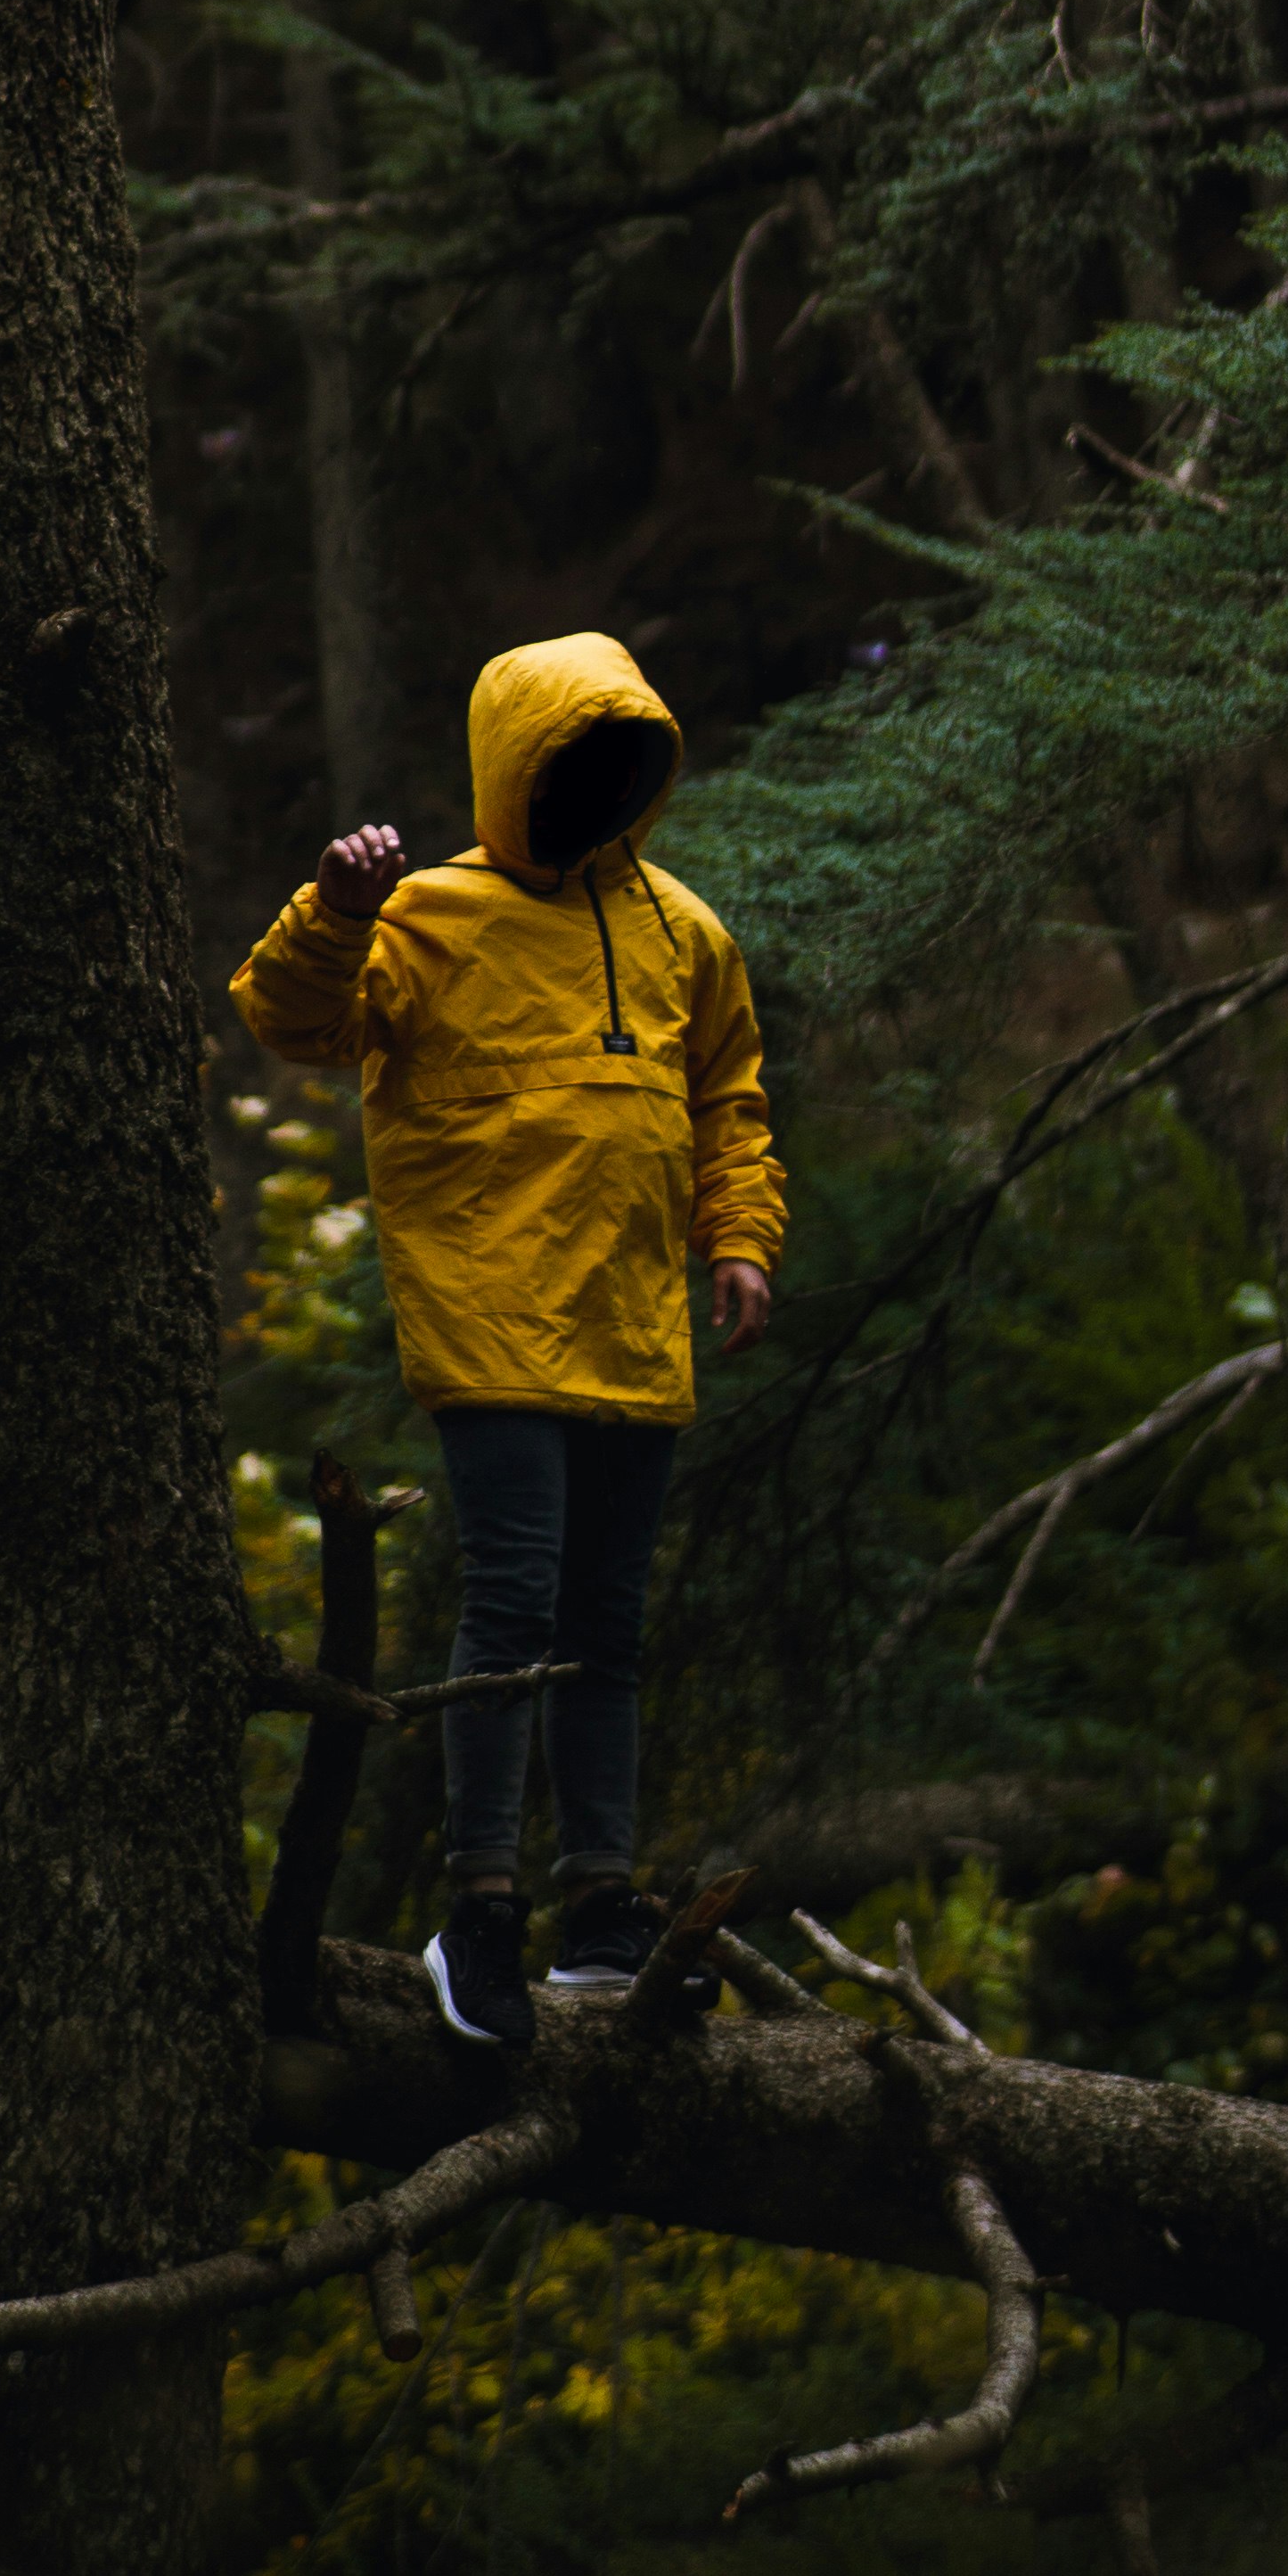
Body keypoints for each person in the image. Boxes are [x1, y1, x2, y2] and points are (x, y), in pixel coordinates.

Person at [230, 629, 783, 2049]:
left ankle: (603, 1906)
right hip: (489, 1324)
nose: (591, 791)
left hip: (634, 1329)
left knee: (607, 1631)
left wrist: (739, 1238)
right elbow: (287, 1018)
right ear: (509, 773)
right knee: (517, 1608)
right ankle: (479, 1909)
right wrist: (337, 908)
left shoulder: (683, 931)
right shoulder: (426, 918)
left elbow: (729, 1097)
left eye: (616, 766)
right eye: (566, 765)